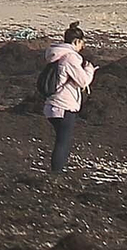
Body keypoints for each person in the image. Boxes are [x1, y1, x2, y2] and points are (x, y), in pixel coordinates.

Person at [41, 23, 95, 176]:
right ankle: (56, 174)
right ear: (76, 41)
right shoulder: (70, 57)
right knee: (63, 142)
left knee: (61, 140)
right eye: (82, 43)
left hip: (52, 104)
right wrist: (89, 69)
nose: (82, 47)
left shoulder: (55, 55)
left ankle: (56, 172)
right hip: (64, 105)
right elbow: (83, 81)